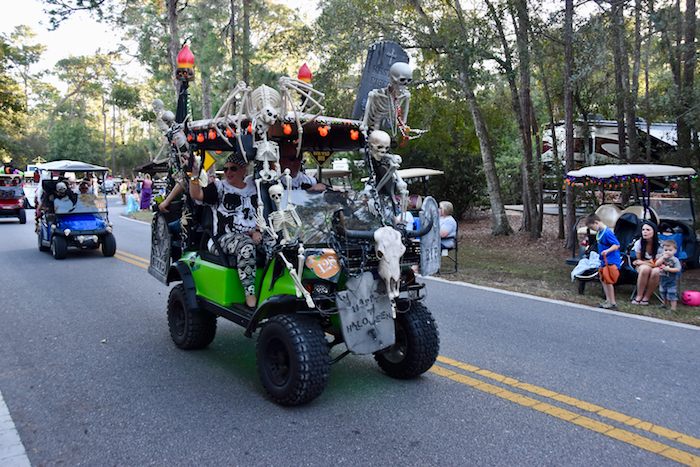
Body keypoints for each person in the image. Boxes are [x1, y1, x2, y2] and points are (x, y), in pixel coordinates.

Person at [187, 152, 261, 311]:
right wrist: (194, 176)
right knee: (246, 245)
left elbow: (262, 214)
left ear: (244, 169)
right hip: (221, 239)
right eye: (225, 169)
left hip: (251, 234)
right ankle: (250, 296)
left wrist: (257, 230)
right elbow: (197, 194)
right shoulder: (219, 187)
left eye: (233, 169)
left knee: (280, 245)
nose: (228, 172)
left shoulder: (255, 188)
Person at [585, 213, 621, 309]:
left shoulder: (607, 232)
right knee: (603, 279)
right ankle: (608, 300)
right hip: (604, 261)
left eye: (592, 227)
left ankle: (612, 302)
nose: (592, 230)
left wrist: (607, 251)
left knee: (608, 280)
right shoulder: (600, 232)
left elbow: (616, 245)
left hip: (611, 260)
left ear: (596, 222)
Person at [632, 220, 662, 305]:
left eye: (648, 230)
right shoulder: (639, 243)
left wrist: (646, 263)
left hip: (657, 266)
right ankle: (639, 296)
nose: (645, 232)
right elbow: (639, 261)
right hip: (644, 266)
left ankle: (646, 297)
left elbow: (658, 263)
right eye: (643, 230)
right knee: (645, 269)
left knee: (656, 271)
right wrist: (650, 263)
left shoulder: (660, 245)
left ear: (654, 231)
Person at [654, 239, 681, 310]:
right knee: (663, 293)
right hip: (663, 280)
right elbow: (656, 264)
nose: (668, 252)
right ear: (663, 250)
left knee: (672, 294)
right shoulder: (662, 258)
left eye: (670, 250)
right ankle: (665, 304)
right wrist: (662, 258)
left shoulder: (675, 260)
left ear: (675, 251)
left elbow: (678, 269)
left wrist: (668, 269)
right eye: (666, 250)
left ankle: (673, 308)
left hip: (671, 281)